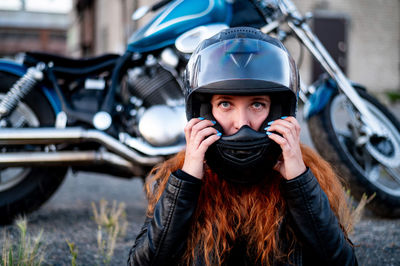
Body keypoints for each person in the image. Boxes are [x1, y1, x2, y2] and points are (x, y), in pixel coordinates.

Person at [128, 27, 357, 266]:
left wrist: (299, 181)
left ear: (278, 112)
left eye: (257, 105)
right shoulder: (179, 175)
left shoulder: (304, 172)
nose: (242, 123)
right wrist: (188, 181)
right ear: (205, 113)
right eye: (225, 104)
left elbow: (343, 262)